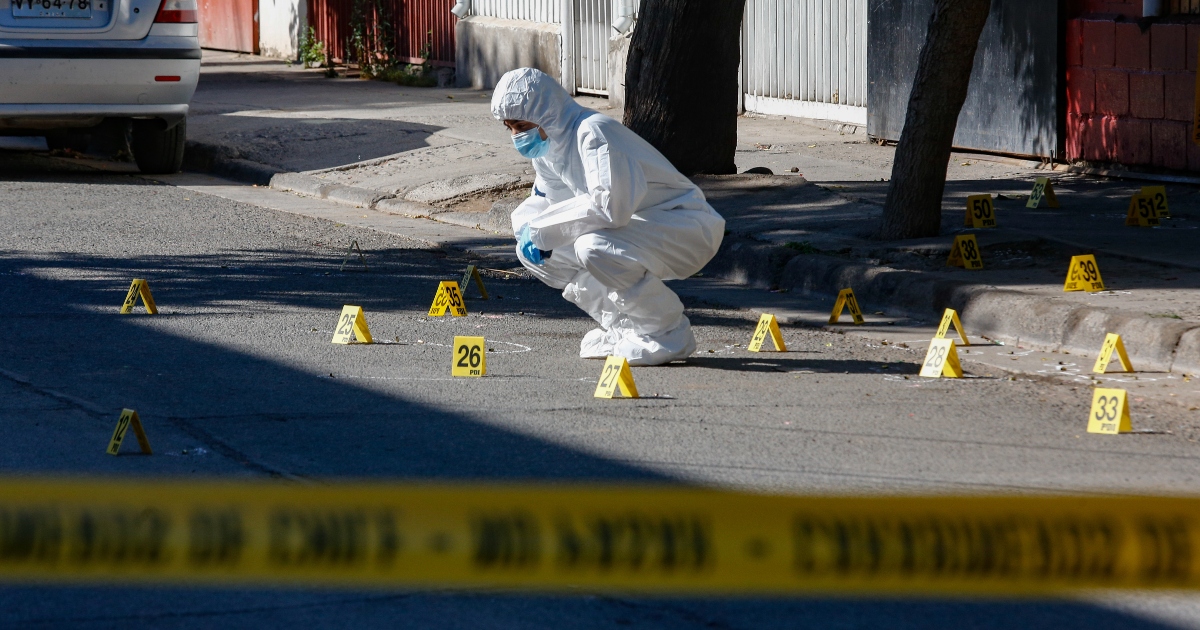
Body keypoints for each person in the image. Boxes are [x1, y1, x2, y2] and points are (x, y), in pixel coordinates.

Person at [492, 67, 725, 366]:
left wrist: (540, 231)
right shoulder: (550, 148)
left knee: (593, 246)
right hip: (639, 227)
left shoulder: (594, 133)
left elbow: (610, 207)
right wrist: (527, 227)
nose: (517, 136)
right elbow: (550, 201)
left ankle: (666, 333)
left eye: (522, 125)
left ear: (546, 112)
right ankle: (626, 328)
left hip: (684, 225)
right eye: (509, 128)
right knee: (541, 254)